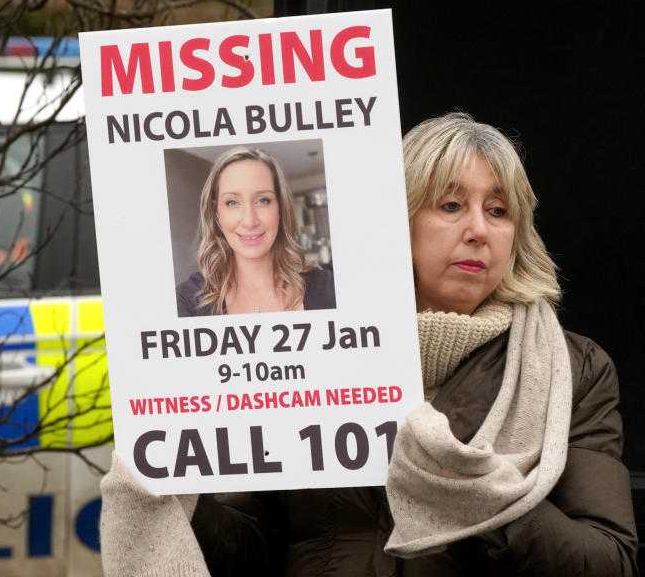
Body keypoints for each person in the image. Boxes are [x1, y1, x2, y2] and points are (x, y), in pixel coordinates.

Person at [100, 113, 638, 576]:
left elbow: (610, 561)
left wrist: (476, 494)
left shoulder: (577, 368)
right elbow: (256, 549)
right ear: (394, 221)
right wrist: (181, 497)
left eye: (498, 211)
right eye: (450, 205)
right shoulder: (311, 347)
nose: (478, 229)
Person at [175, 146, 336, 317]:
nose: (249, 221)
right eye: (232, 203)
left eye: (263, 200)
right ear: (217, 215)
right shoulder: (186, 302)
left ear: (280, 209)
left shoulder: (330, 288)